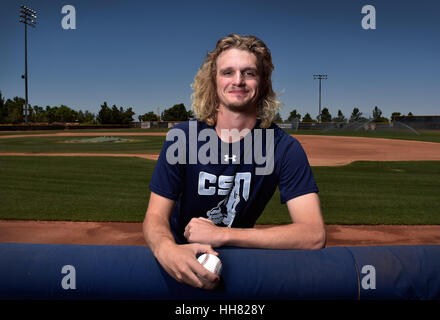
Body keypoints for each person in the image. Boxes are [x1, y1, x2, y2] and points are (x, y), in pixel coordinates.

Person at [143, 34, 326, 290]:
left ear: (262, 83)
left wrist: (223, 234)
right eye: (228, 72)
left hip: (238, 261)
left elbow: (313, 235)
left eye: (249, 73)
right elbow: (154, 216)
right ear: (214, 81)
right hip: (178, 258)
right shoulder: (182, 138)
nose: (238, 81)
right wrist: (166, 249)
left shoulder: (284, 148)